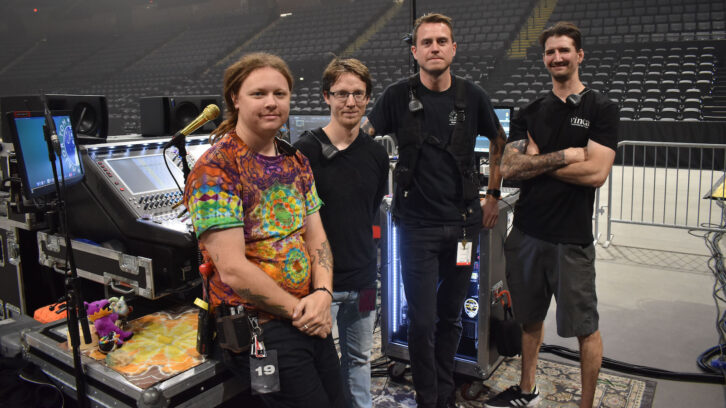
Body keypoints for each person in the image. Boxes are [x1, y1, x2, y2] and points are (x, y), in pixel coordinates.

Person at [183, 52, 345, 408]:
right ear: (234, 100)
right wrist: (302, 313)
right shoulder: (216, 169)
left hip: (307, 313)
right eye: (259, 94)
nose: (271, 102)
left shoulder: (295, 160)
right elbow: (233, 270)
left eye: (280, 93)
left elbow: (316, 237)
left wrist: (322, 294)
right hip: (260, 327)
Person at [363, 13, 507, 408]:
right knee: (423, 323)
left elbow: (499, 140)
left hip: (464, 228)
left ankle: (444, 393)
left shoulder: (472, 95)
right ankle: (429, 398)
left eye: (442, 41)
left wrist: (492, 195)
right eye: (426, 42)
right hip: (416, 229)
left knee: (451, 318)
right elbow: (364, 139)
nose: (435, 48)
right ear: (415, 51)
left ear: (454, 48)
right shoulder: (396, 96)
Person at [484, 22, 618, 408]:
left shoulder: (602, 109)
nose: (556, 57)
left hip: (570, 241)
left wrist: (537, 161)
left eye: (564, 50)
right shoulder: (531, 110)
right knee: (528, 319)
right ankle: (528, 391)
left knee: (585, 329)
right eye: (549, 52)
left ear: (579, 55)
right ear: (543, 58)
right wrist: (568, 154)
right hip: (526, 233)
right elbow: (509, 167)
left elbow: (596, 173)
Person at [294, 57, 389, 408]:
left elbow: (369, 209)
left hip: (363, 280)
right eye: (342, 94)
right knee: (318, 365)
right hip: (320, 285)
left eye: (358, 94)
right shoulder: (305, 151)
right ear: (326, 97)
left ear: (367, 99)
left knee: (360, 360)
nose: (351, 102)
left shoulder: (377, 155)